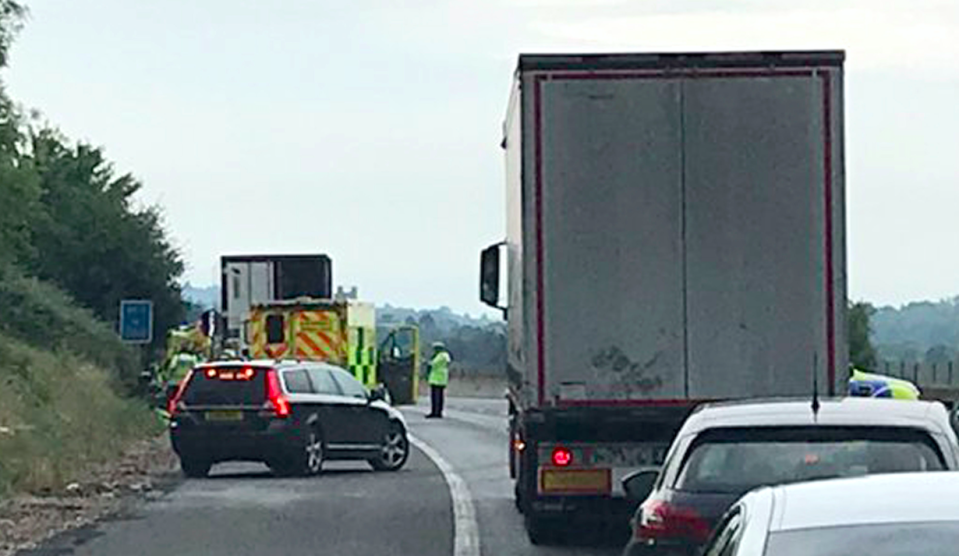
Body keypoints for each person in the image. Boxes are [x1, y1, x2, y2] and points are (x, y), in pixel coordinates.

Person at [426, 342, 451, 418]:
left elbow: (433, 364)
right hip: (442, 379)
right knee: (440, 397)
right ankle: (439, 411)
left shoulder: (440, 356)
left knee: (435, 397)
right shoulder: (446, 356)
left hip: (436, 378)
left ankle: (435, 412)